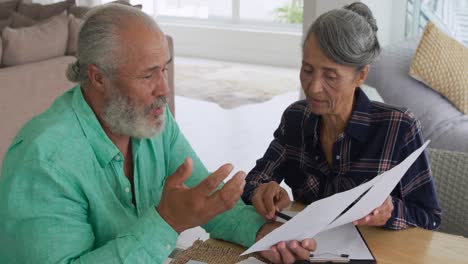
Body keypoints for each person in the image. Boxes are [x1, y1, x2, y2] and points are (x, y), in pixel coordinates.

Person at [0, 4, 316, 263]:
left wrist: (265, 234)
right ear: (98, 78)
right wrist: (166, 222)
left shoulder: (149, 121)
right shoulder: (44, 162)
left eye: (164, 68)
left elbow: (205, 202)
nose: (164, 89)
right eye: (148, 74)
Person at [242, 2, 441, 230]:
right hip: (306, 249)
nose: (314, 87)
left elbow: (430, 218)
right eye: (307, 70)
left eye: (330, 76)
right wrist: (262, 190)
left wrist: (391, 212)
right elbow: (254, 181)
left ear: (361, 76)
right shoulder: (296, 119)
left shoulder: (399, 128)